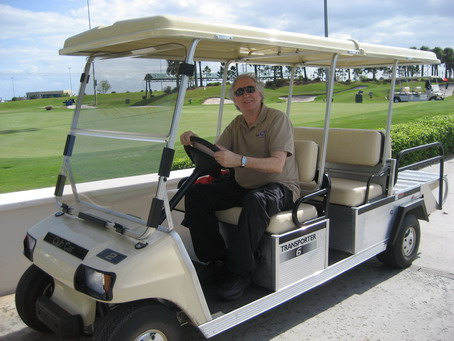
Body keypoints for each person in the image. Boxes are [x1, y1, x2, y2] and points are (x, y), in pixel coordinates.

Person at [180, 73, 299, 301]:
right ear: (234, 100)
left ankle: (241, 272)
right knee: (197, 194)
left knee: (255, 200)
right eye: (239, 92)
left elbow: (277, 165)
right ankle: (216, 261)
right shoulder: (237, 124)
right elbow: (216, 152)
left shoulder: (277, 119)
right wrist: (193, 140)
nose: (246, 95)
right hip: (245, 185)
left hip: (280, 187)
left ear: (260, 93)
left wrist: (240, 160)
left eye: (250, 89)